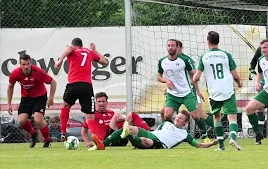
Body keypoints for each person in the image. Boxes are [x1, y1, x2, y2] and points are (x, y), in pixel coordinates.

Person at [193, 31, 243, 151]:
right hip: (227, 89)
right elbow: (235, 75)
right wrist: (239, 83)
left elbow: (196, 77)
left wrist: (195, 84)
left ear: (208, 42)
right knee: (232, 117)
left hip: (214, 92)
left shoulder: (204, 56)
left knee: (216, 118)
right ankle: (233, 138)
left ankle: (221, 146)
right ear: (218, 41)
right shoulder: (226, 55)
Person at [55, 38, 108, 141]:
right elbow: (105, 62)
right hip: (86, 86)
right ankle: (95, 136)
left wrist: (60, 60)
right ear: (82, 45)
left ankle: (63, 132)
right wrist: (94, 50)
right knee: (90, 116)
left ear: (74, 45)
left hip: (73, 85)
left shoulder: (72, 49)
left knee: (65, 106)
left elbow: (70, 47)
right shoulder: (89, 52)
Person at [160, 39, 214, 140]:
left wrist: (197, 90)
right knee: (165, 112)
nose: (172, 48)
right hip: (173, 93)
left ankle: (214, 131)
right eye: (169, 46)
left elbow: (193, 75)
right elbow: (171, 76)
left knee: (199, 114)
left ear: (179, 47)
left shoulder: (186, 59)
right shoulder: (165, 61)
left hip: (190, 91)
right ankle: (169, 134)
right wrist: (166, 84)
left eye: (174, 46)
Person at [90, 110, 218, 150]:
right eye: (177, 117)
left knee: (144, 140)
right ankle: (102, 145)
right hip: (151, 135)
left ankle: (131, 137)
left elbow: (198, 145)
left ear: (185, 123)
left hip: (160, 144)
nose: (177, 119)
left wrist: (211, 143)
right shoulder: (166, 124)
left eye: (180, 119)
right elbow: (157, 131)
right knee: (128, 127)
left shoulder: (185, 134)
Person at [7, 54, 57, 147]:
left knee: (38, 120)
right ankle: (33, 133)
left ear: (31, 63)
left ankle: (47, 140)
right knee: (21, 121)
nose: (26, 67)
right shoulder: (16, 73)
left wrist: (51, 98)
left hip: (40, 97)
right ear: (20, 64)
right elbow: (10, 86)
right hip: (26, 98)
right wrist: (9, 104)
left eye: (28, 64)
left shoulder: (38, 71)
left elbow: (53, 82)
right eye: (23, 64)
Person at [81, 92, 151, 148]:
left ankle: (149, 134)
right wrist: (87, 142)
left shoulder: (111, 113)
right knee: (118, 115)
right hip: (104, 141)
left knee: (131, 114)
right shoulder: (92, 115)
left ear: (106, 102)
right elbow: (84, 130)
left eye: (103, 101)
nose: (101, 103)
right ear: (96, 103)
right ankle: (128, 138)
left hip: (116, 137)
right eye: (99, 101)